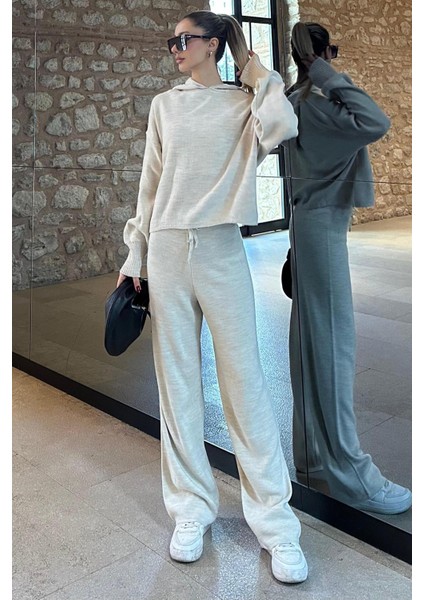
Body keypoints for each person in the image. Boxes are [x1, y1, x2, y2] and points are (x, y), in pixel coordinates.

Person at [117, 9, 308, 584]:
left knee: (245, 383)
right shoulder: (164, 106)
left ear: (215, 45)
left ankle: (275, 523)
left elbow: (283, 126)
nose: (176, 48)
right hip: (168, 250)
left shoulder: (243, 103)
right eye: (172, 41)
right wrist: (134, 257)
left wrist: (254, 68)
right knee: (177, 384)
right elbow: (150, 186)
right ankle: (190, 510)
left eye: (185, 39)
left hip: (222, 249)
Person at [285, 21, 412, 515]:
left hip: (308, 226)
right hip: (321, 228)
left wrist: (315, 72)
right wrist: (326, 74)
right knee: (333, 347)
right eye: (330, 53)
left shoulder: (296, 102)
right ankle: (351, 474)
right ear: (321, 56)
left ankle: (314, 462)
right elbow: (375, 121)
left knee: (311, 345)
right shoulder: (317, 105)